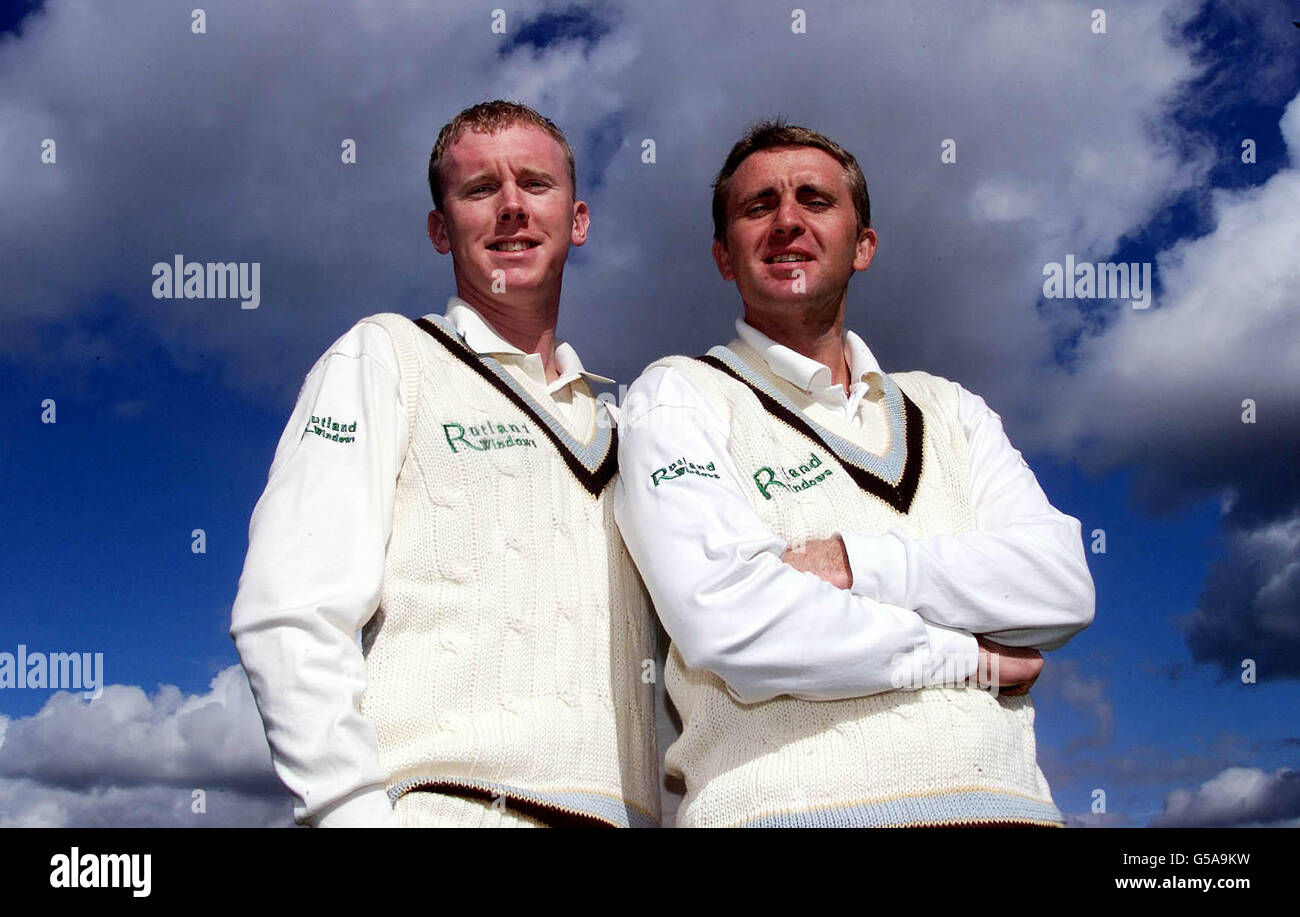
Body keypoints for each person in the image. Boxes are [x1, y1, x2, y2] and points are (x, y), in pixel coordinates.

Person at [614, 120, 1095, 828]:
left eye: (814, 199)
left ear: (863, 244)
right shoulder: (679, 393)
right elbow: (733, 624)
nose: (786, 221)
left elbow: (1060, 584)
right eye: (757, 207)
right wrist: (964, 654)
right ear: (724, 255)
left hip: (1013, 809)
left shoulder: (949, 407)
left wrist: (854, 562)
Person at [231, 100, 660, 828]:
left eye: (535, 184)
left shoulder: (633, 417)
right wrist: (350, 813)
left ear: (578, 219)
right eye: (479, 190)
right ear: (440, 227)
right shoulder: (385, 356)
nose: (512, 209)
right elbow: (290, 612)